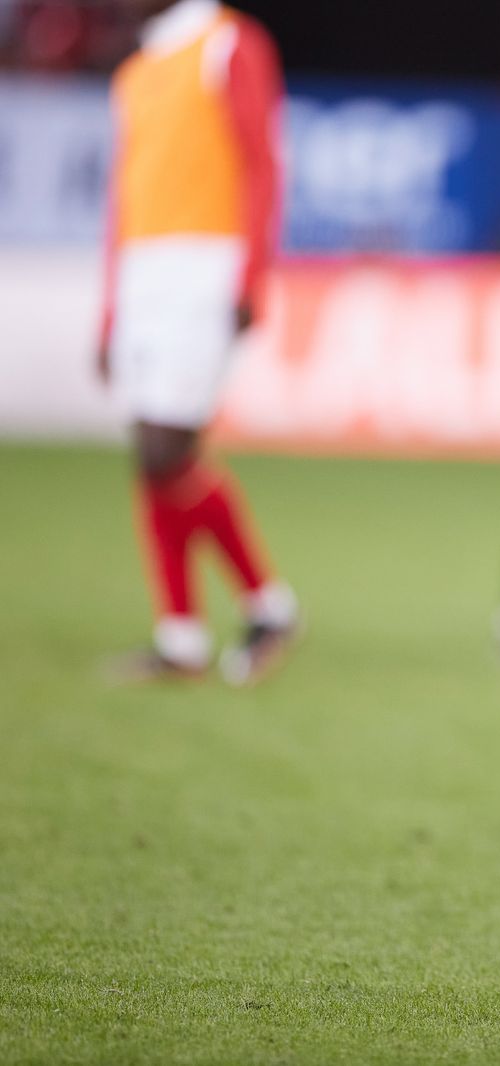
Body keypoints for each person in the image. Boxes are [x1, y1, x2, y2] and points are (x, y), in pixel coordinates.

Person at [98, 0, 297, 684]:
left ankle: (266, 604)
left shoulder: (228, 42)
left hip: (202, 269)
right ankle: (183, 634)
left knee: (165, 447)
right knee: (153, 457)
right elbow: (124, 194)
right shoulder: (138, 67)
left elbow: (261, 162)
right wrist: (109, 308)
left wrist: (251, 272)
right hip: (143, 274)